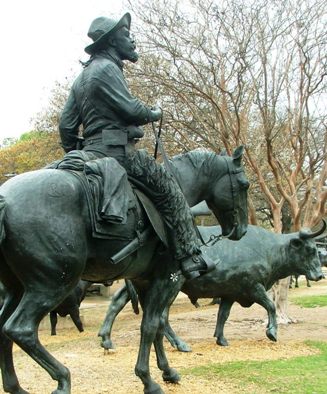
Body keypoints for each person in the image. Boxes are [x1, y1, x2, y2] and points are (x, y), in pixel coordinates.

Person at [59, 12, 215, 280]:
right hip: (118, 153)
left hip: (88, 151)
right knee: (170, 190)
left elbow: (66, 125)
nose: (132, 40)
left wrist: (77, 150)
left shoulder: (80, 79)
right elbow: (130, 108)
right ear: (110, 42)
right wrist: (153, 112)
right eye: (126, 35)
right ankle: (190, 256)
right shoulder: (107, 68)